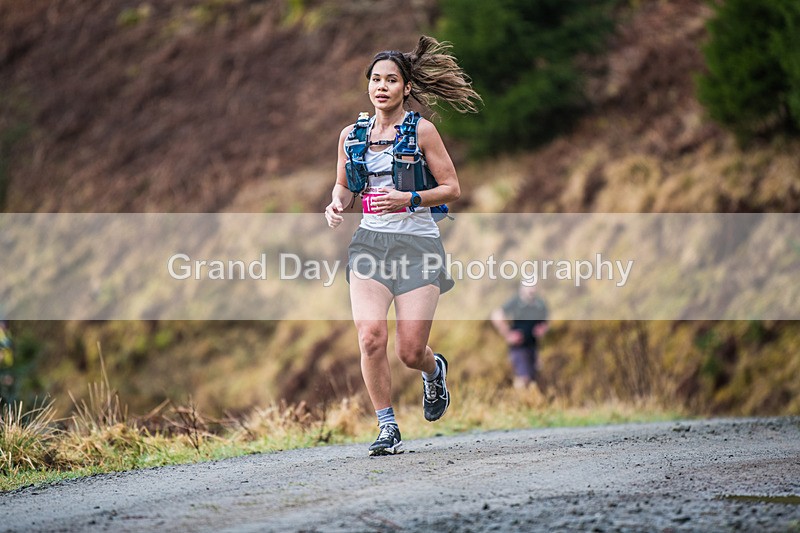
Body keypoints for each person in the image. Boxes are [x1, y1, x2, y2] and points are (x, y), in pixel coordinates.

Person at [324, 36, 480, 456]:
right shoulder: (351, 135)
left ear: (406, 87)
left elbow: (452, 188)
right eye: (376, 79)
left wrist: (409, 199)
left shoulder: (423, 130)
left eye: (391, 80)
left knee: (410, 352)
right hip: (370, 243)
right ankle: (387, 426)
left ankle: (434, 371)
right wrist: (336, 204)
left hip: (418, 244)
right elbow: (343, 185)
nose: (382, 87)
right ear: (368, 86)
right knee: (370, 336)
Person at [491, 282, 549, 390]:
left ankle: (530, 402)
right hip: (519, 347)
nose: (532, 290)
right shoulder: (516, 301)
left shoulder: (539, 303)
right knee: (524, 378)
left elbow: (545, 322)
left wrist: (542, 329)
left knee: (534, 378)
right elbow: (496, 315)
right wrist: (508, 334)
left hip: (533, 346)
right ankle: (518, 401)